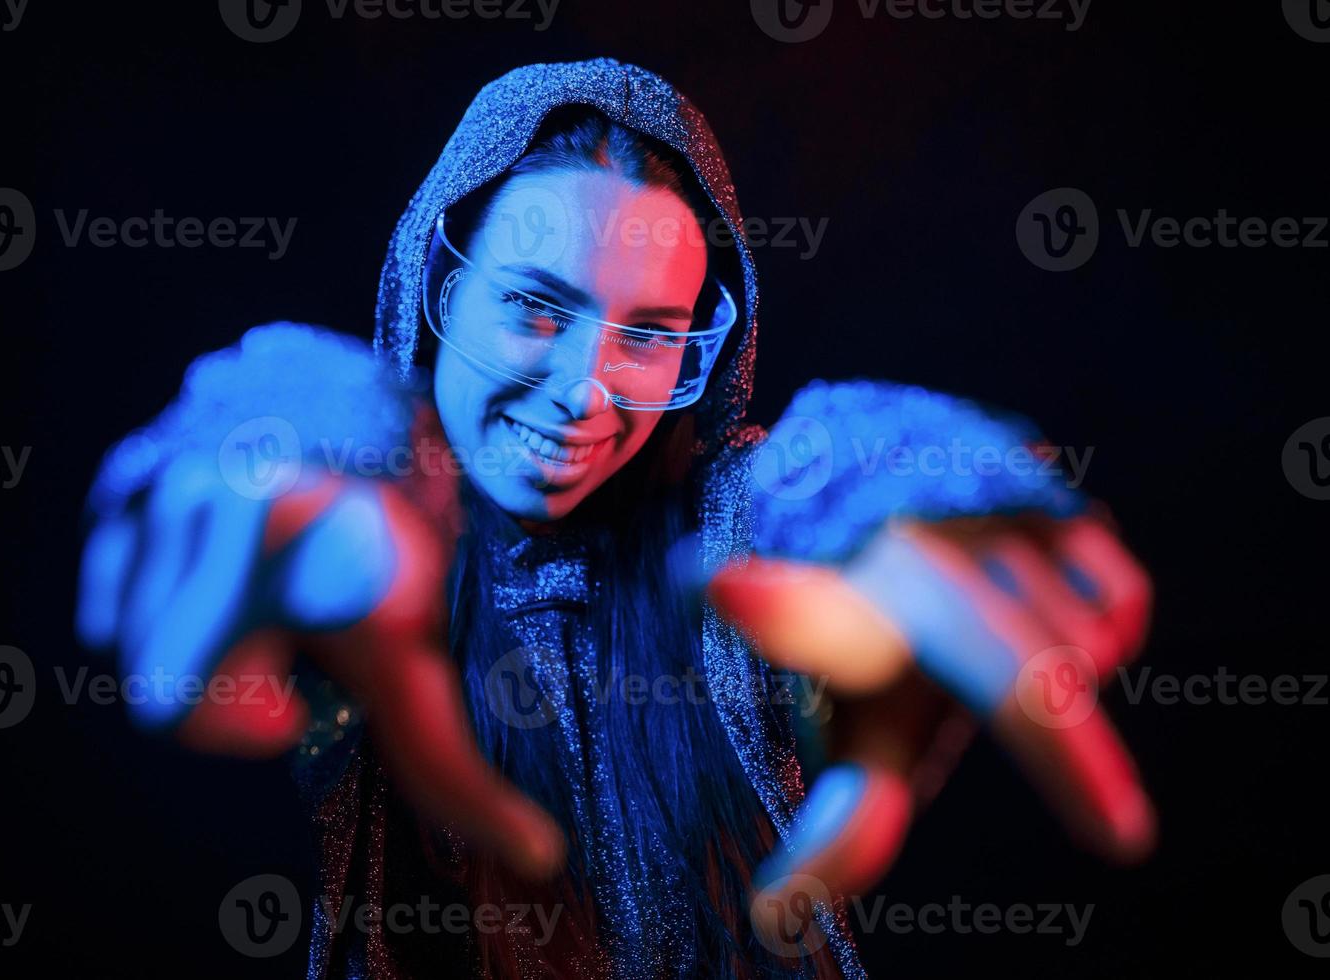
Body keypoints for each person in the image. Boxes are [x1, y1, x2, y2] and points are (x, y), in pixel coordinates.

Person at [76, 58, 1155, 978]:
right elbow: (309, 425)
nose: (586, 390)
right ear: (440, 288)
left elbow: (816, 480)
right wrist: (271, 456)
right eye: (535, 307)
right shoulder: (369, 550)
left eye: (649, 333)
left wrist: (931, 499)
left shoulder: (719, 541)